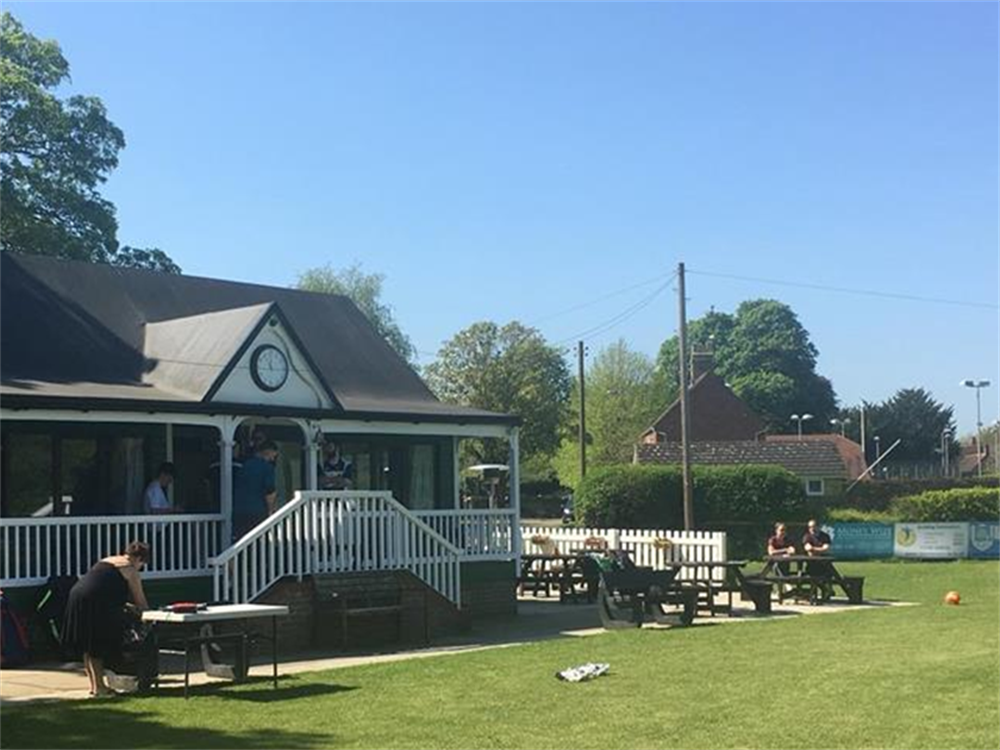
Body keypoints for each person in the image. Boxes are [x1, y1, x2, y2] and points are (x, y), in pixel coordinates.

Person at [61, 541, 150, 697]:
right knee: (97, 645)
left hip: (77, 596)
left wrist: (126, 605)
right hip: (94, 602)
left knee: (87, 645)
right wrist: (148, 616)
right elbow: (140, 601)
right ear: (140, 559)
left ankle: (95, 687)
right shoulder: (130, 570)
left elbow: (102, 586)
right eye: (142, 564)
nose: (141, 567)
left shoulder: (109, 560)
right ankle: (101, 689)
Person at [232, 440, 278, 541]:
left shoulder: (244, 466)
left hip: (238, 511)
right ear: (268, 452)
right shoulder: (267, 467)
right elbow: (270, 491)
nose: (273, 459)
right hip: (258, 512)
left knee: (241, 542)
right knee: (258, 543)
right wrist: (271, 511)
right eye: (273, 456)